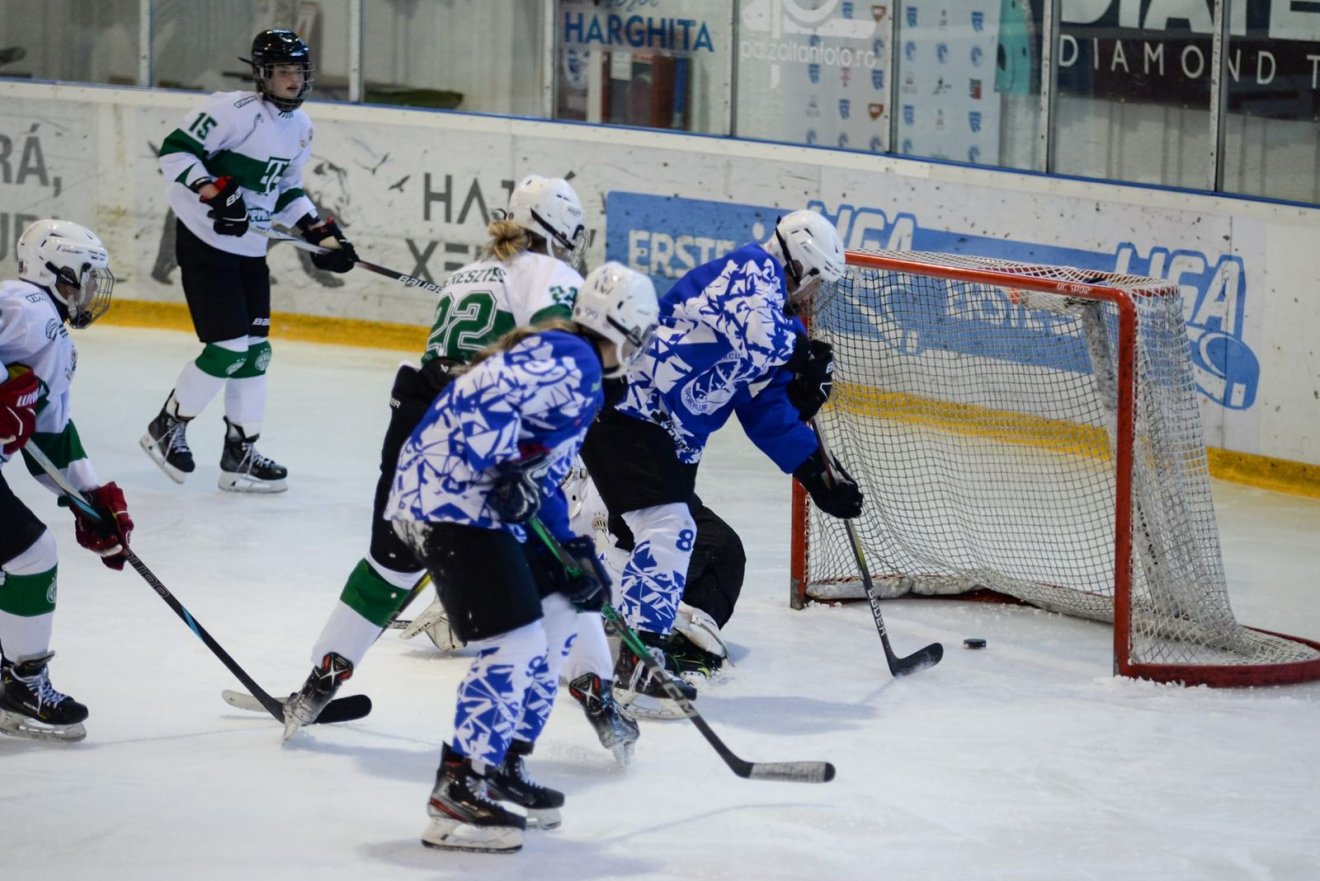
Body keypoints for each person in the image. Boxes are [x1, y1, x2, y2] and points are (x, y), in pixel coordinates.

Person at [279, 175, 641, 751]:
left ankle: (320, 680)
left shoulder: (467, 274)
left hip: (422, 418)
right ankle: (594, 693)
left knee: (391, 562)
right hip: (494, 437)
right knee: (559, 566)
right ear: (560, 235)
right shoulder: (556, 280)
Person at [384, 262, 658, 853]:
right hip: (446, 502)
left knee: (562, 608)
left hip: (474, 502)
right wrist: (502, 462)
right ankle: (459, 787)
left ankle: (502, 762)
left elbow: (544, 480)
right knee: (514, 642)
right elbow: (481, 401)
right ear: (624, 333)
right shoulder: (574, 358)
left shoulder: (576, 372)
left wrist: (573, 552)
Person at [579, 209, 864, 717]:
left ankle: (621, 636)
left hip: (665, 447)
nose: (817, 299)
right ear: (805, 266)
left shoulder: (780, 319)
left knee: (683, 549)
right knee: (670, 530)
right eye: (819, 284)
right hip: (631, 414)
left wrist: (817, 474)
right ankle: (637, 659)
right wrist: (803, 356)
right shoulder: (749, 271)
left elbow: (765, 411)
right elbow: (756, 332)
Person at [142, 29, 358, 493]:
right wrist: (213, 192)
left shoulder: (300, 127)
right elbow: (177, 150)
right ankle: (167, 425)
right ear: (262, 74)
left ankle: (239, 453)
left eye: (298, 72)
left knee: (256, 353)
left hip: (249, 250)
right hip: (206, 243)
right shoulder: (231, 111)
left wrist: (321, 233)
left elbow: (287, 192)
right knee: (228, 349)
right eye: (283, 72)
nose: (293, 81)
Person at [0, 219, 134, 742]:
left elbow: (52, 439)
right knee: (32, 557)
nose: (91, 290)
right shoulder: (21, 303)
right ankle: (22, 682)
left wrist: (93, 499)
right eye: (85, 276)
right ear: (52, 270)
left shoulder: (55, 340)